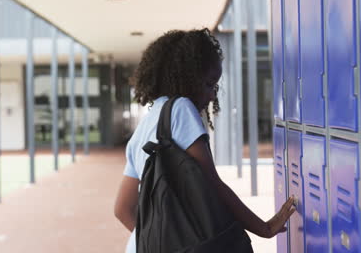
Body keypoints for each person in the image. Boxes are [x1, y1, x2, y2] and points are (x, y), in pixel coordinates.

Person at [113, 28, 296, 253]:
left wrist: (159, 238)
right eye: (209, 84)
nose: (212, 96)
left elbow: (122, 208)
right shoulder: (180, 109)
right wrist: (265, 228)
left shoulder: (144, 125)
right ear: (187, 79)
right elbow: (212, 185)